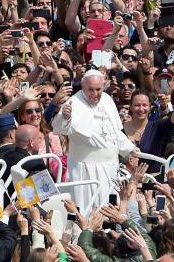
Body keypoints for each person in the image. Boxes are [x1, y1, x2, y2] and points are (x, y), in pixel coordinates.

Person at [52, 69, 139, 213]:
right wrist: (66, 118)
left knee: (110, 208)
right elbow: (59, 128)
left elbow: (114, 132)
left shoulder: (107, 99)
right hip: (85, 170)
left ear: (103, 86)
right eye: (90, 90)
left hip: (110, 167)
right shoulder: (74, 102)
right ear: (83, 86)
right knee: (86, 210)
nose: (94, 94)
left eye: (98, 89)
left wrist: (129, 148)